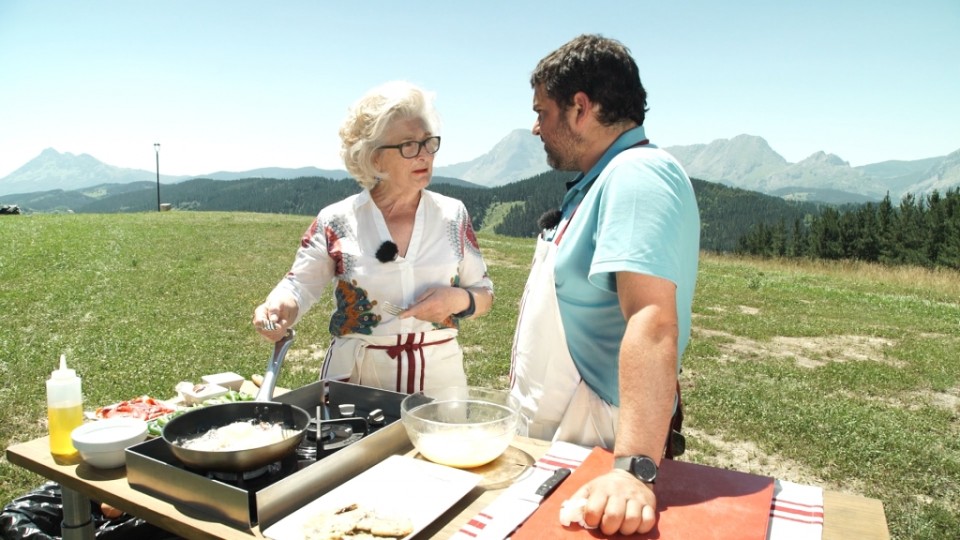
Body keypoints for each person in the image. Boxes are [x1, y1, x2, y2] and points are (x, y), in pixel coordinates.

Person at [509, 35, 700, 535]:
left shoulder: (638, 175)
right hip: (563, 428)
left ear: (580, 108)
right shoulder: (600, 178)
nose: (536, 127)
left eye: (542, 112)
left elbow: (652, 320)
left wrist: (632, 470)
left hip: (599, 436)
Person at [253, 81, 494, 394]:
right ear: (374, 158)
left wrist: (457, 300)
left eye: (428, 142)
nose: (424, 155)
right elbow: (299, 285)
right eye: (409, 145)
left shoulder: (453, 215)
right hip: (356, 385)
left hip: (440, 389)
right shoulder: (336, 220)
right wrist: (277, 308)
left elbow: (484, 293)